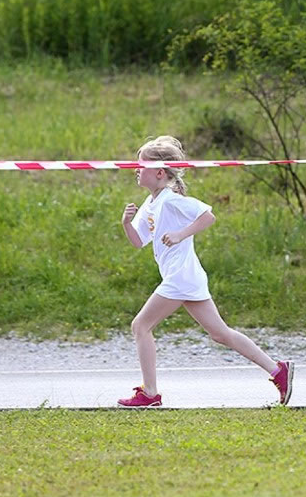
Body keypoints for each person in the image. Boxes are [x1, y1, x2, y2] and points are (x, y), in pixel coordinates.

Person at [117, 135, 293, 407]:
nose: (136, 170)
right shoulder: (151, 203)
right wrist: (126, 223)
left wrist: (180, 234)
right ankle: (278, 370)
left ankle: (150, 394)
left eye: (142, 165)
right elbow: (139, 241)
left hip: (180, 277)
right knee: (220, 334)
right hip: (187, 276)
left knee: (140, 326)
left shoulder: (171, 200)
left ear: (160, 172)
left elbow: (208, 216)